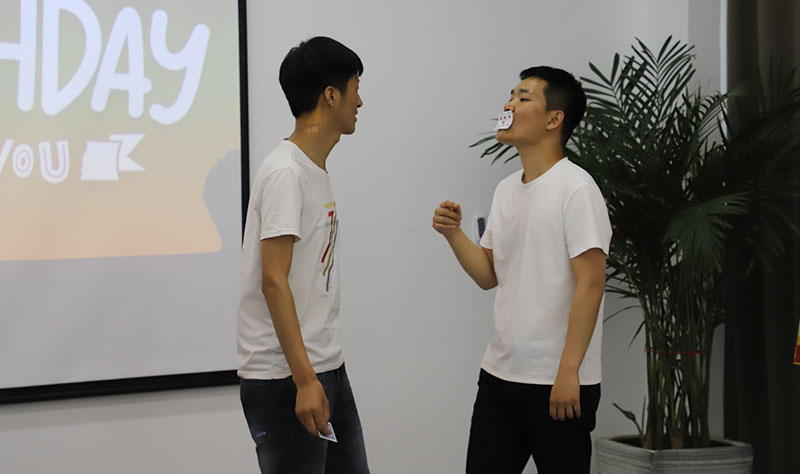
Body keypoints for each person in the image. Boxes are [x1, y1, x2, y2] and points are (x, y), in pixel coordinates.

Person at [432, 66, 611, 474]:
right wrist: (453, 233)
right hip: (500, 374)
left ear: (554, 119)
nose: (509, 105)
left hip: (560, 383)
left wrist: (569, 372)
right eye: (510, 95)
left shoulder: (577, 189)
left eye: (523, 97)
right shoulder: (506, 189)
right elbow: (488, 275)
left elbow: (591, 283)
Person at [236, 36, 369, 474]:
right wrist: (305, 380)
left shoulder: (312, 170)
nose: (360, 102)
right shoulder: (285, 173)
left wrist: (320, 373)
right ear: (331, 95)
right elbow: (273, 281)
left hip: (326, 367)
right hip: (287, 379)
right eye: (354, 89)